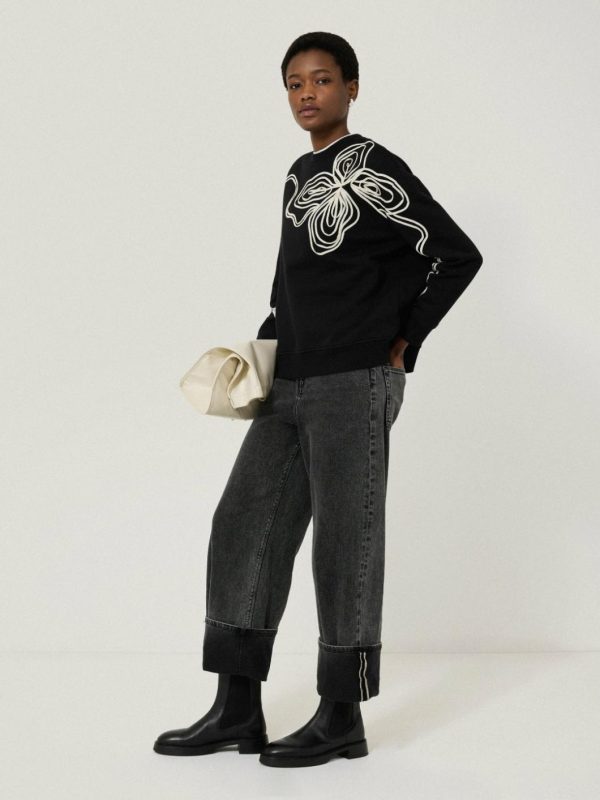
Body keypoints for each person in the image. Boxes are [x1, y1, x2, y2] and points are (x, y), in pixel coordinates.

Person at [154, 31, 483, 768]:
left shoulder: (373, 166)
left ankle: (341, 717)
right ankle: (238, 709)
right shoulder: (298, 175)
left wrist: (407, 338)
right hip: (290, 381)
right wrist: (262, 351)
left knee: (344, 543)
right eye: (295, 83)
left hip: (353, 383)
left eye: (323, 79)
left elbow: (457, 255)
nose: (307, 93)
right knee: (243, 524)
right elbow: (290, 284)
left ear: (352, 88)